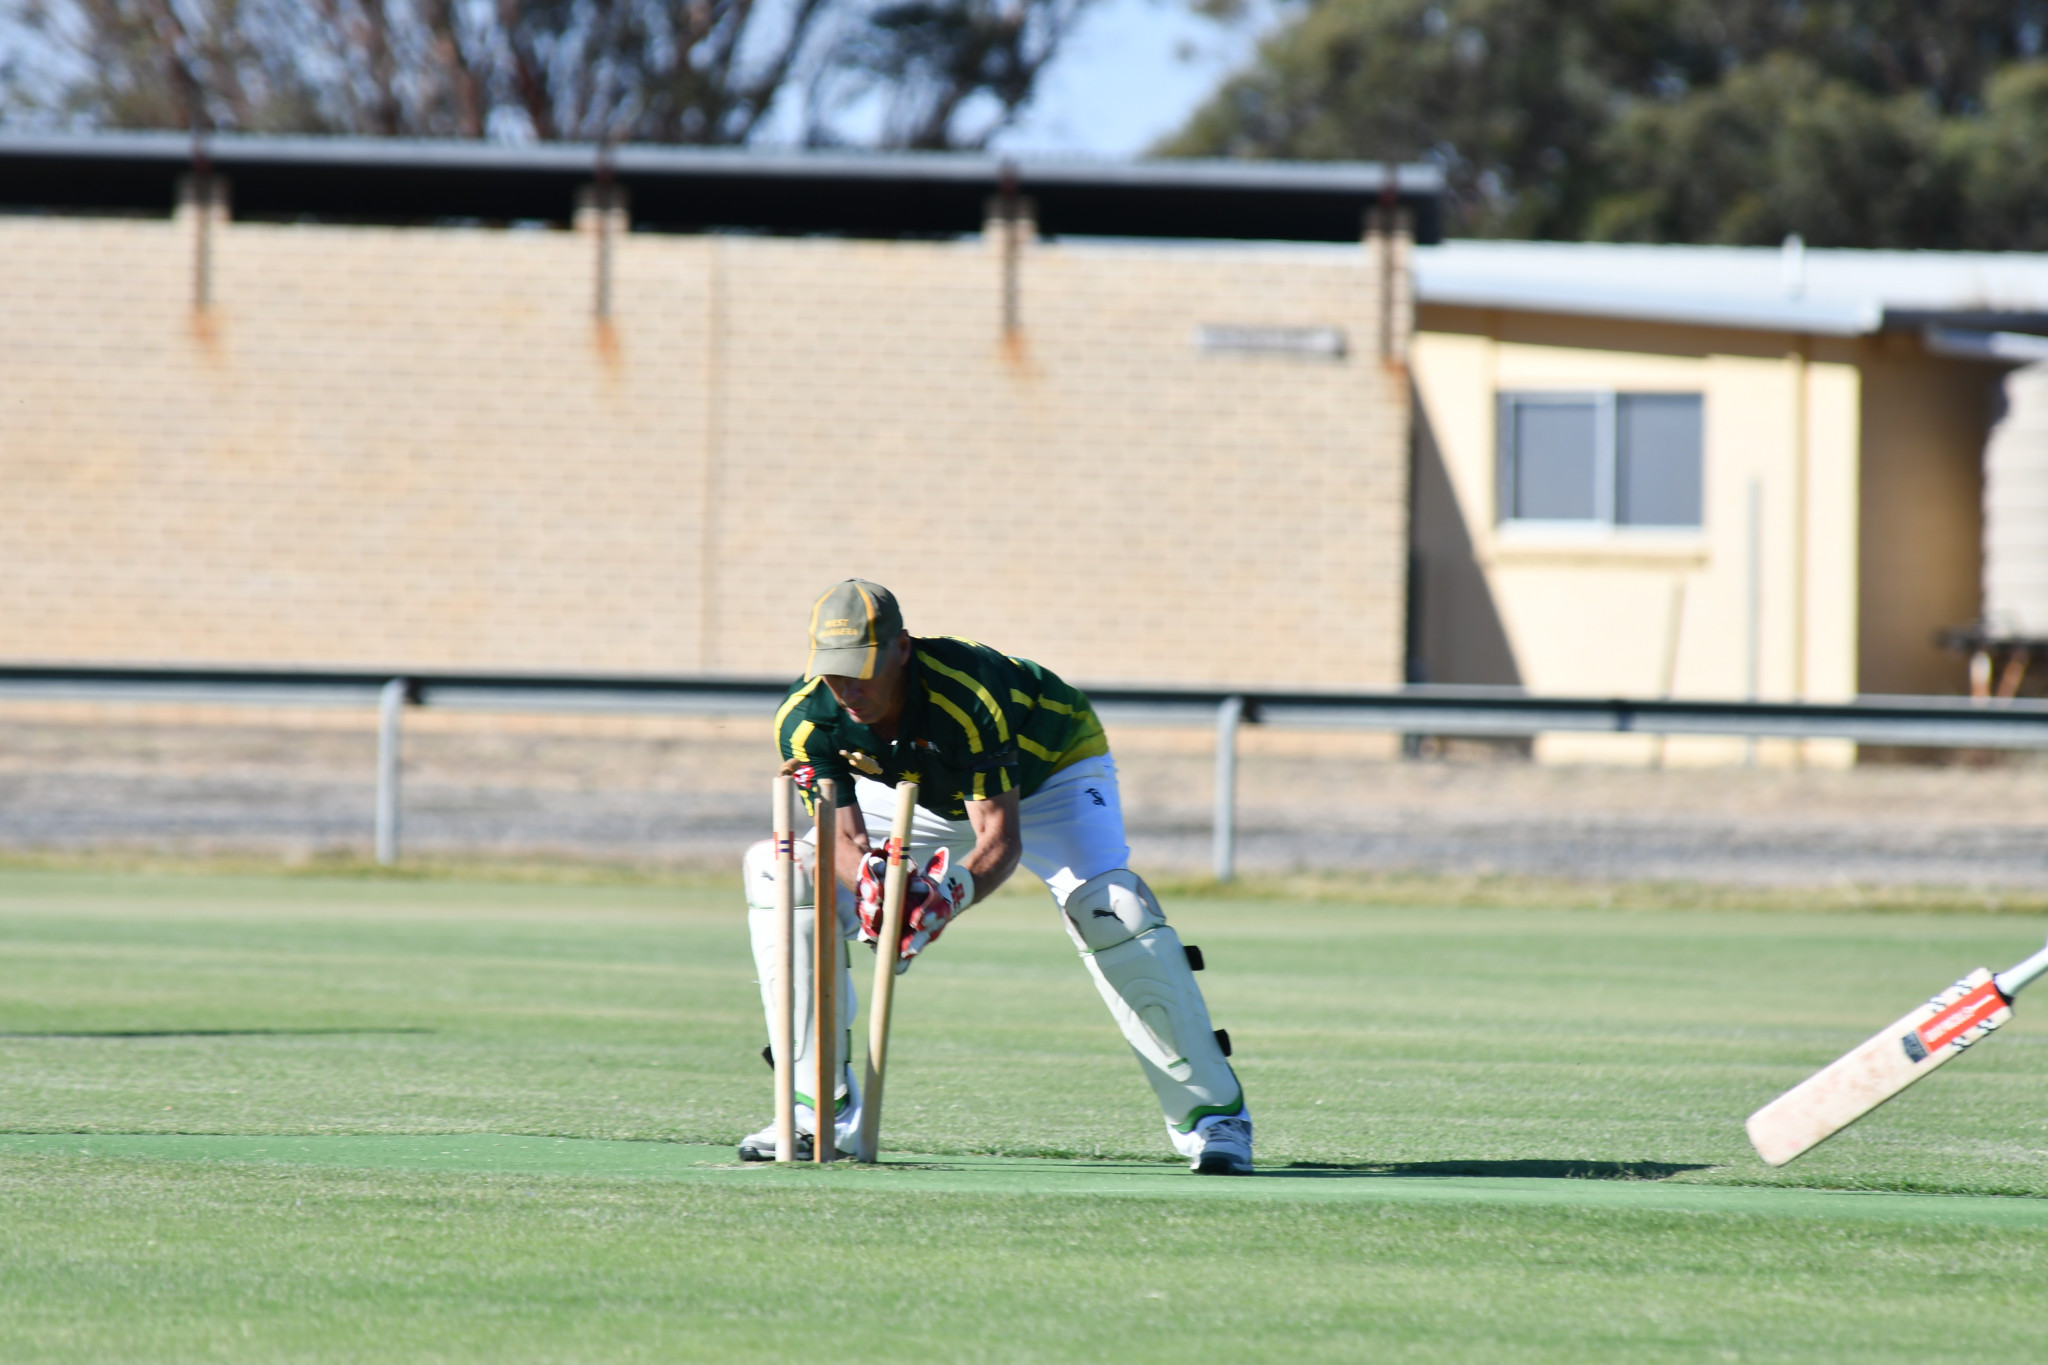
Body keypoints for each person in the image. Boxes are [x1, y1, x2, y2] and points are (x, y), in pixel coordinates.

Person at [738, 579, 1252, 1173]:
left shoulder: (964, 694)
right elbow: (843, 839)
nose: (849, 689)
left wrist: (941, 898)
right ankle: (813, 1112)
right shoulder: (807, 719)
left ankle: (1215, 1121)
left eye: (864, 669)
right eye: (834, 672)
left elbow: (1000, 840)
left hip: (1047, 774)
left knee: (1112, 908)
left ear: (901, 649)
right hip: (919, 789)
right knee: (779, 873)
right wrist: (878, 887)